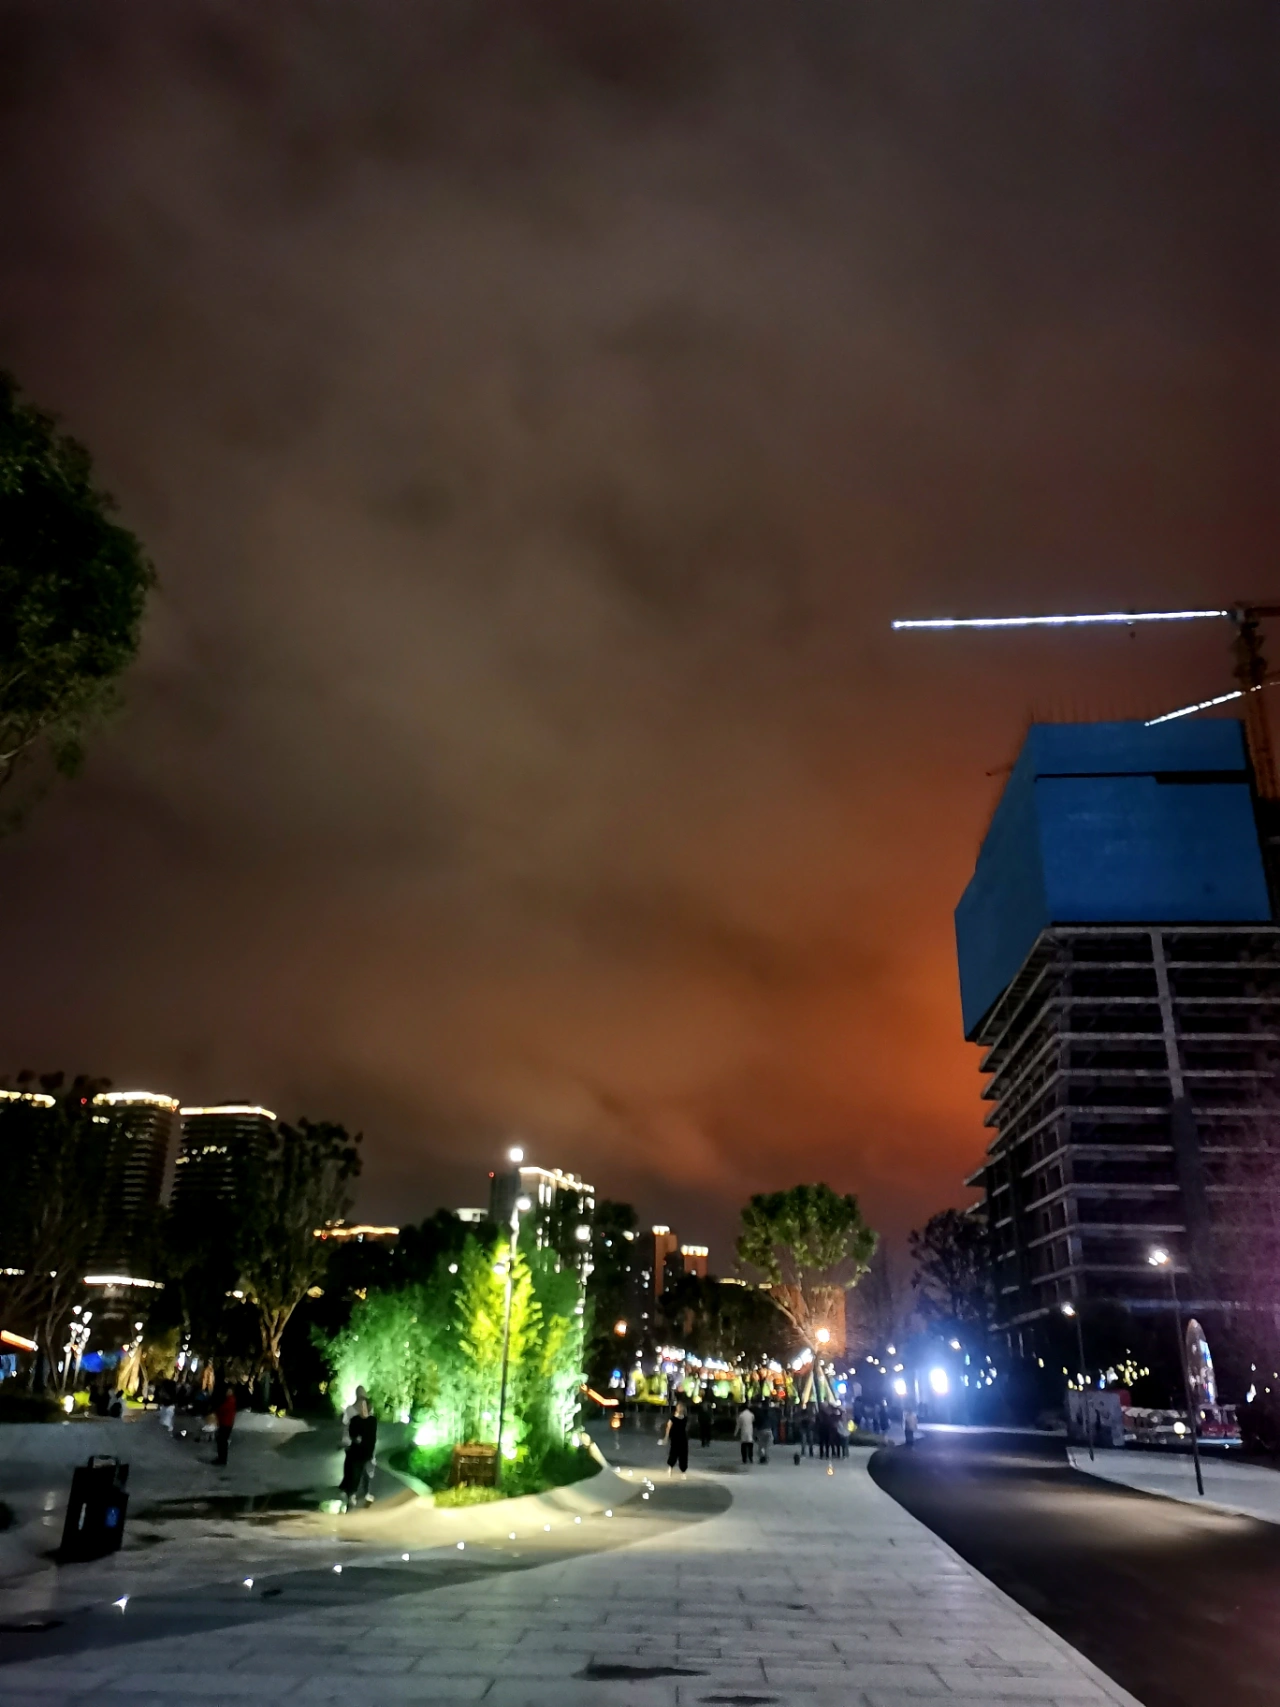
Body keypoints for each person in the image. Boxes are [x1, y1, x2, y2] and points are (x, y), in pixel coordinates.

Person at [341, 1397, 378, 1509]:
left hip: (367, 1453)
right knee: (355, 1475)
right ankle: (352, 1496)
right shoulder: (355, 1420)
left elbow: (372, 1438)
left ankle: (366, 1494)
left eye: (364, 1406)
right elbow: (351, 1433)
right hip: (355, 1453)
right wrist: (355, 1438)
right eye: (360, 1407)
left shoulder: (372, 1421)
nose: (362, 1409)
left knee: (366, 1475)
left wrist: (372, 1455)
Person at [663, 1398, 690, 1477]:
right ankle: (670, 1468)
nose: (681, 1409)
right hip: (675, 1438)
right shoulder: (673, 1419)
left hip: (683, 1438)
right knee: (673, 1454)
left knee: (683, 1455)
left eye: (682, 1407)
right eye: (680, 1407)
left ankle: (683, 1471)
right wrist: (666, 1437)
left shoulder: (685, 1418)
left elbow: (687, 1429)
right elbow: (668, 1428)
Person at [213, 1382, 237, 1466]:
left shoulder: (230, 1400)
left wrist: (218, 1410)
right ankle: (221, 1458)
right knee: (221, 1442)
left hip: (226, 1424)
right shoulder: (229, 1400)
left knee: (222, 1442)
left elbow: (223, 1409)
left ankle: (222, 1459)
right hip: (225, 1423)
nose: (227, 1392)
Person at [756, 1401, 774, 1466]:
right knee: (767, 1446)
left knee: (761, 1445)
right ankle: (767, 1458)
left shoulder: (759, 1413)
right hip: (769, 1430)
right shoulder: (770, 1412)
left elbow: (757, 1422)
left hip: (761, 1430)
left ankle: (762, 1458)